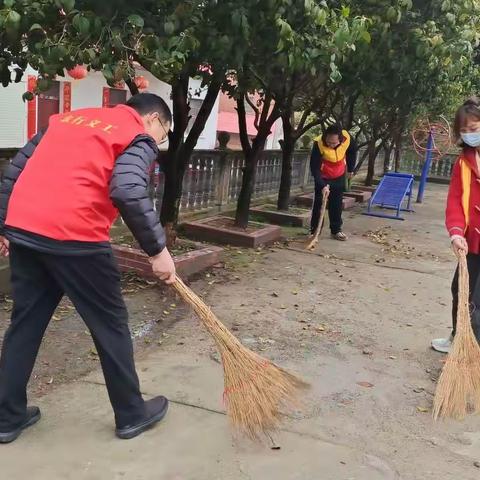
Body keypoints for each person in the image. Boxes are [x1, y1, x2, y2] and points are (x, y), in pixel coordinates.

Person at [0, 93, 176, 443]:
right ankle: (131, 413)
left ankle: (6, 418)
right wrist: (158, 251)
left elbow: (15, 171)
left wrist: (4, 224)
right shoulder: (136, 134)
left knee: (26, 322)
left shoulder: (65, 119)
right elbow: (127, 190)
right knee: (110, 324)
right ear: (154, 119)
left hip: (26, 231)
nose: (159, 141)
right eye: (164, 133)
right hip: (77, 237)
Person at [432, 97, 480, 353]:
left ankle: (472, 350)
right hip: (472, 242)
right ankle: (457, 339)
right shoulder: (463, 163)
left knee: (478, 301)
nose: (469, 135)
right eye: (464, 130)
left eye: (474, 129)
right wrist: (456, 233)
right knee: (460, 290)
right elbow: (455, 202)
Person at [310, 124, 357, 240]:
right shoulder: (319, 143)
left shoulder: (347, 138)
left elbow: (352, 151)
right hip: (323, 175)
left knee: (336, 203)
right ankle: (315, 230)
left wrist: (351, 169)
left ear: (340, 139)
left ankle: (336, 230)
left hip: (339, 174)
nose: (330, 145)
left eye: (334, 143)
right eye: (328, 142)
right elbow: (314, 168)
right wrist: (322, 185)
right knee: (319, 204)